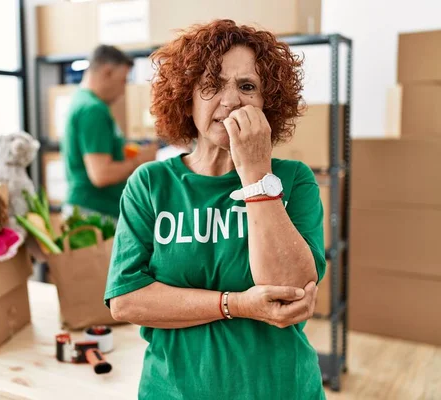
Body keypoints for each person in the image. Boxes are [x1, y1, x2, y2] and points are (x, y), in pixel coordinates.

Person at [104, 20, 326, 399]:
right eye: (211, 84)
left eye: (247, 86)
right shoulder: (151, 184)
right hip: (172, 390)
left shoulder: (294, 180)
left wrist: (256, 176)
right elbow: (126, 301)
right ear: (186, 98)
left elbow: (290, 292)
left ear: (267, 104)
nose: (231, 100)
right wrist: (237, 304)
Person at [62, 45, 158, 221]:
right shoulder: (93, 110)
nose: (123, 91)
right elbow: (101, 174)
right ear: (107, 72)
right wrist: (140, 161)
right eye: (123, 80)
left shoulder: (82, 101)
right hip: (94, 213)